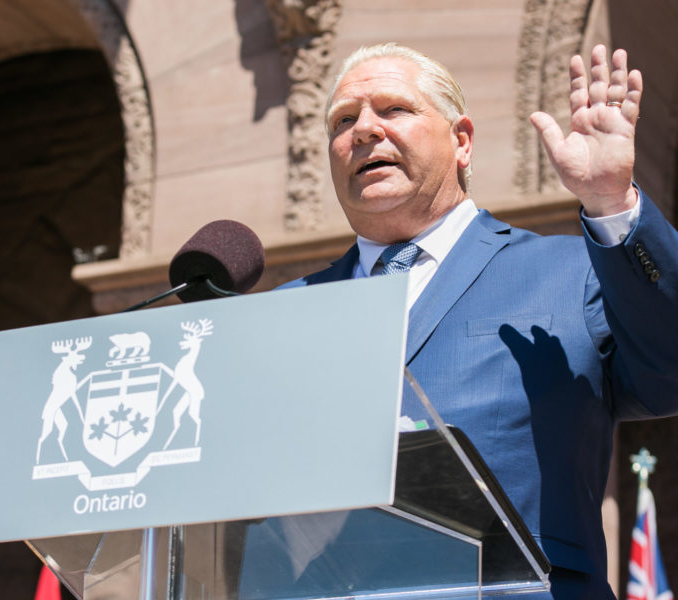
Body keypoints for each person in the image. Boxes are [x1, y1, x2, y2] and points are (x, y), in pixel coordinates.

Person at [279, 42, 678, 599]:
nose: (364, 130)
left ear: (461, 141)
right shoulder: (285, 313)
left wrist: (611, 203)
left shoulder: (571, 272)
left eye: (393, 109)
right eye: (344, 120)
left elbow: (670, 372)